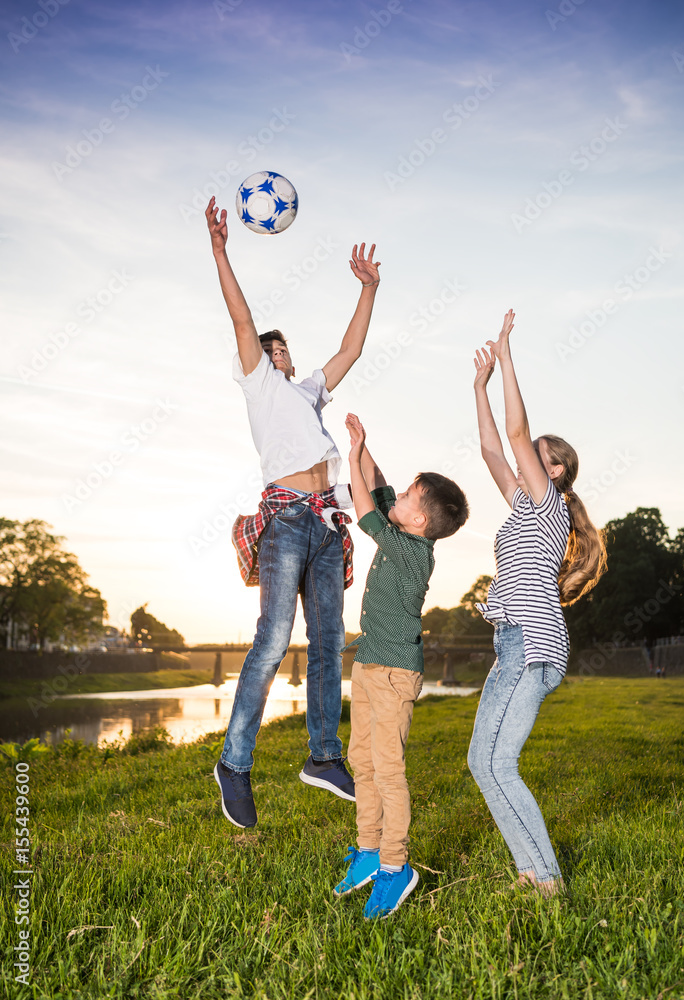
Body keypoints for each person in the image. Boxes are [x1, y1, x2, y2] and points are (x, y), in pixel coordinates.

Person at [204, 196, 382, 829]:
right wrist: (222, 251)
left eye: (284, 349)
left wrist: (368, 291)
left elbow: (350, 350)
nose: (280, 352)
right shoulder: (260, 385)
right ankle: (235, 763)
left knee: (330, 642)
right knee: (273, 639)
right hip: (285, 520)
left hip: (327, 525)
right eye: (271, 348)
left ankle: (323, 757)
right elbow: (242, 318)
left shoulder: (308, 394)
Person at [467, 309, 607, 896]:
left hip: (531, 644)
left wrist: (507, 360)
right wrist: (478, 386)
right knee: (483, 762)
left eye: (540, 456)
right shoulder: (525, 506)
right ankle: (533, 871)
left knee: (498, 764)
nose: (527, 460)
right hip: (515, 645)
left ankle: (545, 879)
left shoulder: (549, 503)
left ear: (555, 474)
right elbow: (491, 448)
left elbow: (517, 436)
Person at [333, 413, 469, 919]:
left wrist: (351, 461)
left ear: (419, 522)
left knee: (389, 771)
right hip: (368, 665)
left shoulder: (413, 552)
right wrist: (363, 447)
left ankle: (396, 867)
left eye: (412, 497)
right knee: (363, 762)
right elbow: (381, 487)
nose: (402, 498)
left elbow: (367, 509)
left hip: (394, 675)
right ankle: (368, 852)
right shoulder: (405, 527)